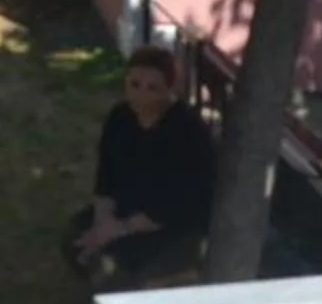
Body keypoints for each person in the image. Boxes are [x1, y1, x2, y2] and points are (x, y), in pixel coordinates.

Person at [65, 45, 214, 286]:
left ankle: (174, 275)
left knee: (117, 266)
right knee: (75, 238)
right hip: (126, 208)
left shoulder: (187, 131)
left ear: (168, 89)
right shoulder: (120, 118)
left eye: (152, 88)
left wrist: (119, 229)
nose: (141, 95)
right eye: (134, 85)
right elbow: (107, 176)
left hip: (171, 224)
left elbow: (182, 201)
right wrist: (102, 222)